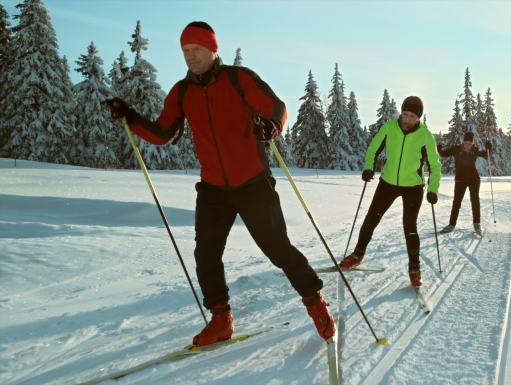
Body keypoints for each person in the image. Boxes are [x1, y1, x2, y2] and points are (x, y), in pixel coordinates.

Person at [105, 21, 335, 346]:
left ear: (213, 49)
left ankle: (316, 305)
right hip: (213, 187)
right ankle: (221, 319)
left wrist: (271, 126)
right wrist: (131, 117)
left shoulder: (239, 79)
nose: (190, 56)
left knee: (277, 249)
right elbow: (163, 133)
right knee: (207, 254)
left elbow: (277, 109)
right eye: (185, 51)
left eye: (196, 49)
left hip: (253, 182)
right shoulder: (182, 92)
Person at [339, 96, 441, 287]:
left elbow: (435, 165)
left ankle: (414, 269)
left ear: (418, 117)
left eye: (412, 116)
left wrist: (433, 189)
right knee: (371, 219)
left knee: (409, 227)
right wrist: (369, 167)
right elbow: (373, 149)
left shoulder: (425, 135)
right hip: (388, 183)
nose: (407, 119)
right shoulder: (389, 127)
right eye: (405, 114)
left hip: (413, 187)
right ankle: (357, 255)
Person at [437, 131, 492, 235]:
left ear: (473, 143)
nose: (468, 145)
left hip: (474, 179)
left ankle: (477, 224)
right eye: (466, 143)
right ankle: (451, 224)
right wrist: (439, 149)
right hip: (460, 180)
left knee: (475, 201)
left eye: (470, 143)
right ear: (463, 142)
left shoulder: (475, 150)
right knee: (456, 202)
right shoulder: (456, 149)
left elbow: (486, 155)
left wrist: (489, 148)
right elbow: (444, 153)